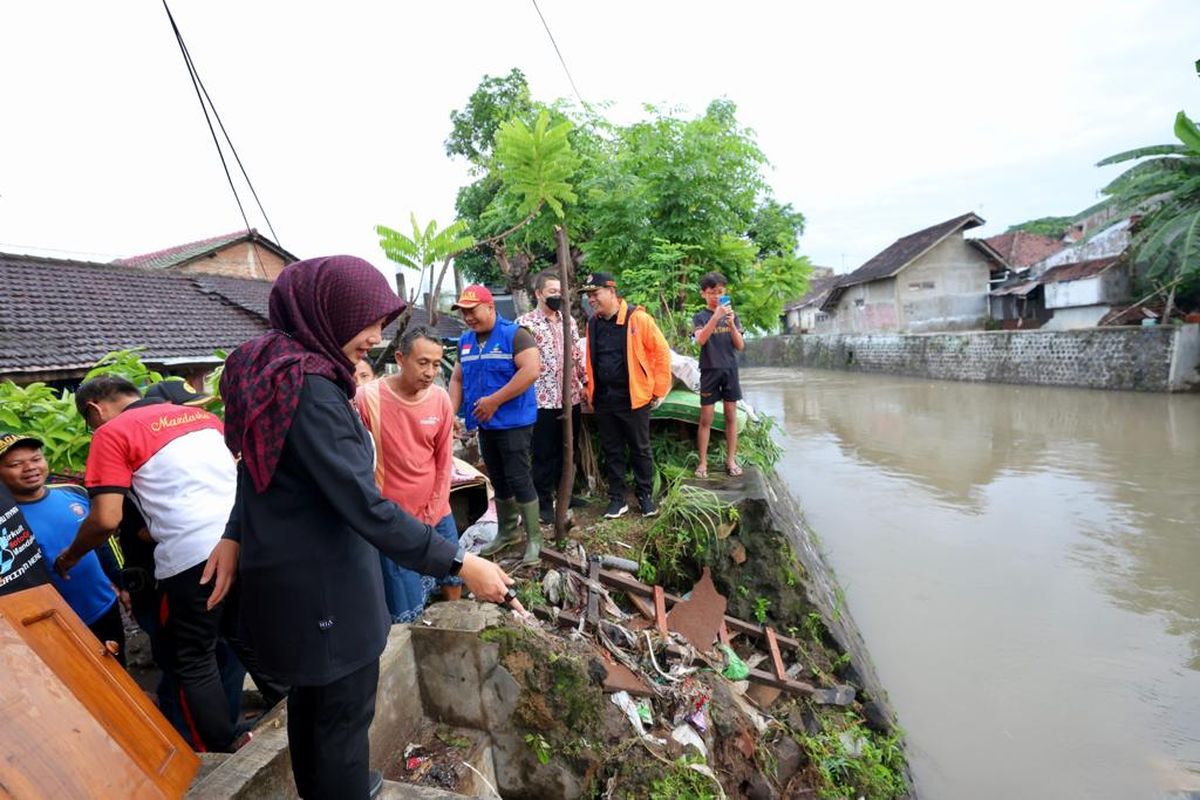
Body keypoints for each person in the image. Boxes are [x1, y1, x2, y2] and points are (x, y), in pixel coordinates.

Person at [213, 256, 517, 800]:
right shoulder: (310, 389)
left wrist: (235, 531)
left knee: (315, 708)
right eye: (369, 320)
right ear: (328, 312)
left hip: (293, 573)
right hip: (324, 585)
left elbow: (254, 460)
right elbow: (367, 506)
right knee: (342, 715)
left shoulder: (265, 365)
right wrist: (461, 562)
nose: (376, 337)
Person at [53, 374, 246, 752]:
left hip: (193, 558)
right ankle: (282, 715)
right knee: (249, 638)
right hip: (246, 541)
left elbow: (106, 518)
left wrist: (71, 555)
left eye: (90, 422)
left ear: (94, 409)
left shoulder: (112, 432)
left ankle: (225, 751)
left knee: (192, 657)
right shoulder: (202, 419)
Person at [354, 325, 463, 621]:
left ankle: (455, 623)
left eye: (437, 364)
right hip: (392, 519)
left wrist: (435, 506)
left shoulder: (440, 399)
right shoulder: (367, 399)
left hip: (436, 511)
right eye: (423, 362)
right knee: (403, 595)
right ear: (401, 359)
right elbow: (359, 462)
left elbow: (443, 461)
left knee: (453, 574)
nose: (430, 372)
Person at [0, 432, 125, 662]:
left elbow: (102, 541)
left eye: (36, 459)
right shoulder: (7, 519)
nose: (30, 468)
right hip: (57, 622)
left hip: (104, 606)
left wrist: (122, 582)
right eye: (16, 464)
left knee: (120, 669)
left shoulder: (72, 492)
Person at [447, 284, 542, 564]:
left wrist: (495, 401)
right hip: (485, 425)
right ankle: (507, 532)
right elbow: (457, 379)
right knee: (498, 478)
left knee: (518, 477)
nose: (468, 317)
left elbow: (531, 370)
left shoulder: (515, 335)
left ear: (490, 307)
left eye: (472, 311)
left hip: (513, 422)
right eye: (463, 312)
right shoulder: (465, 341)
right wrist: (451, 413)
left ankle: (534, 539)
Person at [580, 271, 672, 519]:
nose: (591, 300)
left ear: (611, 292)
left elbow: (662, 353)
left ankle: (645, 497)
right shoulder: (593, 324)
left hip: (635, 397)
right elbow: (590, 359)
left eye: (595, 294)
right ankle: (617, 499)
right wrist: (589, 391)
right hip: (604, 399)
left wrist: (659, 389)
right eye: (588, 296)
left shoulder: (637, 319)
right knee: (612, 450)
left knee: (640, 449)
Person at [515, 269, 587, 524]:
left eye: (560, 292)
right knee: (544, 453)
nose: (557, 296)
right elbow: (518, 363)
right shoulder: (525, 324)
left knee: (569, 448)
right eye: (552, 292)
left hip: (571, 397)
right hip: (541, 400)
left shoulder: (569, 321)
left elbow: (577, 354)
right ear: (538, 293)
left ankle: (566, 493)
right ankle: (544, 502)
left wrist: (585, 382)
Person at [693, 271, 746, 478]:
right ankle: (703, 463)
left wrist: (732, 324)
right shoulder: (700, 316)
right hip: (709, 370)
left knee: (731, 416)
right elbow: (700, 340)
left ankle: (731, 460)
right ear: (703, 294)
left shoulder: (733, 316)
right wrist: (715, 317)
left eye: (720, 292)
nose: (716, 296)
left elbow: (740, 346)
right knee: (706, 418)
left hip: (730, 370)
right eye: (712, 292)